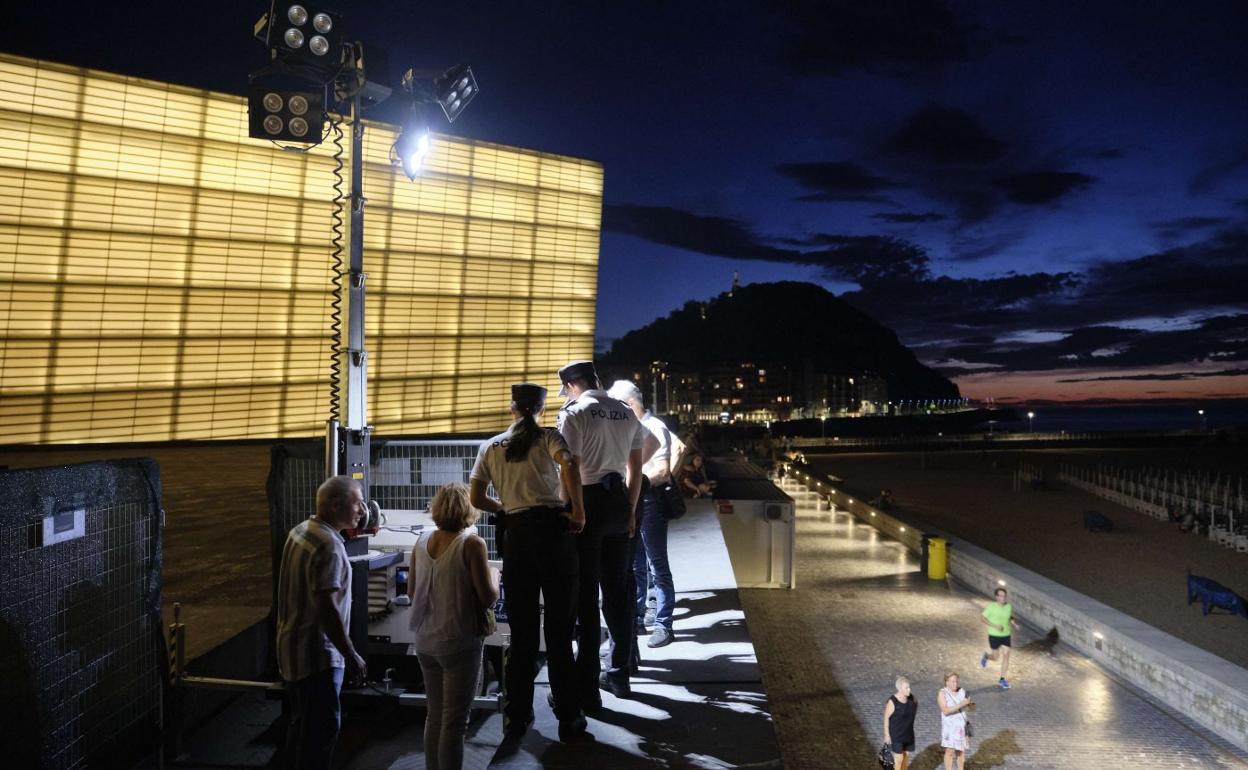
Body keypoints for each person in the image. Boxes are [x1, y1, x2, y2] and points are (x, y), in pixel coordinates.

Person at [468, 383, 590, 743]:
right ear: (540, 409)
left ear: (512, 408)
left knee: (521, 634)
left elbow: (476, 496)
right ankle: (569, 717)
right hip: (553, 534)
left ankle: (516, 718)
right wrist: (578, 511)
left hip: (516, 537)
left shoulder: (490, 446)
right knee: (559, 630)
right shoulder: (549, 437)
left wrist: (504, 507)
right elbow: (568, 463)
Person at [556, 360, 646, 706]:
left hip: (587, 503)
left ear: (572, 385)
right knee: (618, 594)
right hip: (619, 504)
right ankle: (620, 675)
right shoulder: (625, 412)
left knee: (586, 599)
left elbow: (570, 467)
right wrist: (631, 510)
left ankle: (588, 686)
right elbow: (634, 468)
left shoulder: (575, 412)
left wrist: (572, 509)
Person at [275, 475, 368, 770]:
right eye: (357, 502)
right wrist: (350, 654)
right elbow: (326, 607)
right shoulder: (329, 546)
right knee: (320, 736)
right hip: (318, 658)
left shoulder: (301, 531)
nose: (363, 510)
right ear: (336, 505)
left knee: (300, 729)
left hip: (292, 650)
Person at [407, 482, 499, 770]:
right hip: (459, 641)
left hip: (425, 641)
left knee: (434, 715)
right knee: (455, 723)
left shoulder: (421, 542)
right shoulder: (472, 543)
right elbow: (486, 598)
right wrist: (495, 578)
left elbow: (411, 593)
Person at [607, 379, 675, 649]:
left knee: (658, 564)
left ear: (630, 403)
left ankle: (663, 623)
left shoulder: (653, 428)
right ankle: (636, 619)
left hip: (650, 499)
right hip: (633, 499)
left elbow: (663, 470)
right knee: (635, 565)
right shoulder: (628, 427)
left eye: (619, 404)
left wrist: (633, 478)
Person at [978, 586, 1020, 689]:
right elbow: (982, 618)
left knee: (1006, 655)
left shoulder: (1008, 606)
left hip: (1006, 635)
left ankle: (1002, 679)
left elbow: (1010, 616)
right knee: (996, 657)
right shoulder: (991, 607)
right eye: (1001, 596)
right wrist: (995, 626)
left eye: (1004, 596)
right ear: (996, 597)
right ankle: (986, 656)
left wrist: (1014, 623)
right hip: (994, 635)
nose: (1003, 598)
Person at [938, 672, 973, 770]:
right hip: (950, 728)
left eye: (956, 681)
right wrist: (961, 704)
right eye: (953, 682)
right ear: (947, 682)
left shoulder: (961, 691)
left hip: (961, 727)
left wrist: (970, 704)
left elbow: (971, 708)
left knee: (960, 751)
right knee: (949, 751)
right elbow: (945, 711)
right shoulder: (942, 693)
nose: (955, 684)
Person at [882, 676, 916, 770]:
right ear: (900, 689)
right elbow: (886, 718)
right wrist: (887, 735)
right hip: (896, 734)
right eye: (907, 688)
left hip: (908, 733)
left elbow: (914, 710)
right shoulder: (892, 702)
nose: (909, 689)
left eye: (909, 687)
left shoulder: (911, 698)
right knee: (899, 758)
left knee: (906, 756)